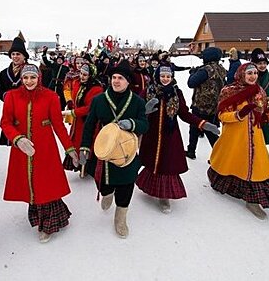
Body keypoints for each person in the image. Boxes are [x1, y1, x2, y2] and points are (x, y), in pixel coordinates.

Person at [207, 63, 269, 219]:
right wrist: (239, 114)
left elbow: (263, 116)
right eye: (249, 73)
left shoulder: (260, 92)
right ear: (241, 74)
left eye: (255, 73)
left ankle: (252, 202)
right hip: (234, 138)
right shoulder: (228, 91)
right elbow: (221, 116)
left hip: (255, 138)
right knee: (231, 163)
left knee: (255, 170)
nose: (253, 76)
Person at [1, 64, 78, 243]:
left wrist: (70, 149)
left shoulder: (50, 96)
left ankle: (48, 224)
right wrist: (17, 138)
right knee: (29, 183)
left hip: (45, 148)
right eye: (26, 77)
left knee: (45, 184)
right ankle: (38, 217)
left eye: (32, 77)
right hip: (22, 149)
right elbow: (6, 122)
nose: (29, 81)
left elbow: (58, 125)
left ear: (39, 78)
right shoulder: (12, 96)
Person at [79, 60, 148, 238]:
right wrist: (84, 148)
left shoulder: (138, 102)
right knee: (103, 182)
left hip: (127, 151)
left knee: (126, 186)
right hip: (104, 149)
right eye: (114, 77)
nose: (116, 81)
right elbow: (89, 125)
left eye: (120, 78)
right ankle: (107, 193)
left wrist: (132, 124)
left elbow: (145, 125)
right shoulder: (99, 100)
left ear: (128, 81)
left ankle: (120, 217)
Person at [137, 66, 220, 213]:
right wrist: (144, 109)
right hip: (152, 134)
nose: (165, 79)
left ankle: (164, 197)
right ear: (157, 76)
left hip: (170, 135)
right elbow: (136, 108)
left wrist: (202, 123)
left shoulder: (176, 93)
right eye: (162, 76)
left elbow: (184, 114)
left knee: (167, 164)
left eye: (168, 76)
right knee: (151, 162)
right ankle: (149, 187)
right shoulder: (149, 91)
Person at [185, 47, 227, 159]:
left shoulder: (205, 70)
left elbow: (191, 83)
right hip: (215, 105)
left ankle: (220, 155)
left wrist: (193, 73)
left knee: (199, 128)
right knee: (207, 129)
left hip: (201, 105)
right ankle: (191, 150)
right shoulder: (221, 69)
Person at [61, 63, 104, 172]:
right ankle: (77, 164)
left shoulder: (96, 89)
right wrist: (70, 103)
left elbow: (90, 108)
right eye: (81, 73)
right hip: (77, 120)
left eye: (85, 74)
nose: (82, 76)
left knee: (86, 142)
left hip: (88, 121)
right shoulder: (77, 83)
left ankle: (87, 167)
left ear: (91, 75)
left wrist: (73, 112)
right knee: (75, 141)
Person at [0, 37, 29, 145]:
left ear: (24, 56)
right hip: (10, 109)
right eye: (13, 54)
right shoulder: (4, 73)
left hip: (27, 108)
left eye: (18, 54)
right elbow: (0, 90)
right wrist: (8, 97)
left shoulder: (31, 70)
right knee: (14, 139)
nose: (15, 57)